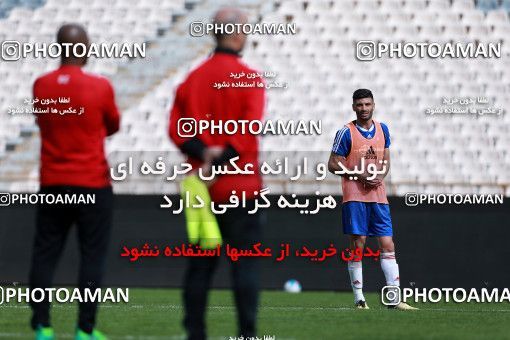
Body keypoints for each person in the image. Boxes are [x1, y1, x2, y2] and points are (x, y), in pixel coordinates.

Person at [168, 7, 265, 340]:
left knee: (199, 268)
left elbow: (177, 129)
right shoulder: (249, 78)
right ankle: (247, 333)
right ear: (237, 35)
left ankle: (195, 334)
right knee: (245, 266)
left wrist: (203, 157)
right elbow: (247, 132)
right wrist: (222, 161)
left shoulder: (192, 79)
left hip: (200, 189)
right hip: (240, 187)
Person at [29, 24, 120, 340]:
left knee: (45, 255)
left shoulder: (41, 85)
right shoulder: (99, 87)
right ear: (86, 49)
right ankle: (85, 329)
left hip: (53, 182)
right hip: (92, 183)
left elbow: (43, 122)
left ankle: (43, 325)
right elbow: (112, 125)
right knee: (91, 257)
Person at [328, 89, 417, 310]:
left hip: (379, 197)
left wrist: (379, 176)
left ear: (373, 105)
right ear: (353, 107)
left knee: (388, 244)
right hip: (355, 196)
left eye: (367, 104)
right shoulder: (345, 132)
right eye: (359, 105)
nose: (364, 109)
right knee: (358, 244)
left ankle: (394, 299)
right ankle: (359, 299)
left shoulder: (383, 129)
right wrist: (360, 175)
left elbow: (385, 161)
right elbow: (332, 164)